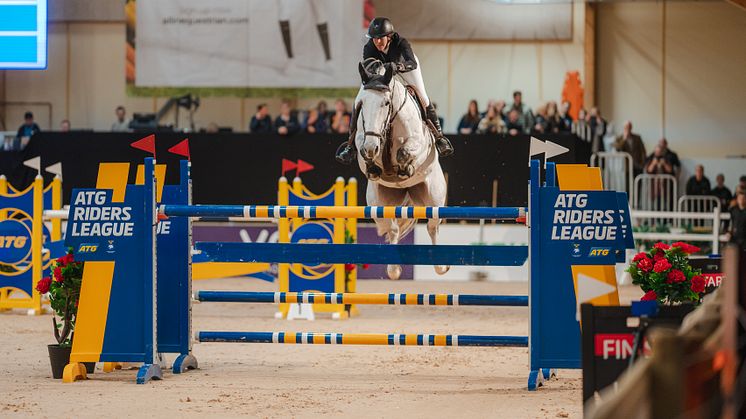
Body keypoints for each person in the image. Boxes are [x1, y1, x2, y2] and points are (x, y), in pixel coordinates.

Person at [335, 17, 453, 164]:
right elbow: (369, 67)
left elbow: (412, 63)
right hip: (381, 72)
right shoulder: (369, 47)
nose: (377, 42)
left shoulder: (401, 43)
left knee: (423, 96)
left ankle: (439, 137)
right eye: (374, 38)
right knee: (359, 98)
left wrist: (398, 67)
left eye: (380, 38)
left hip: (405, 69)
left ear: (389, 36)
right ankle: (350, 145)